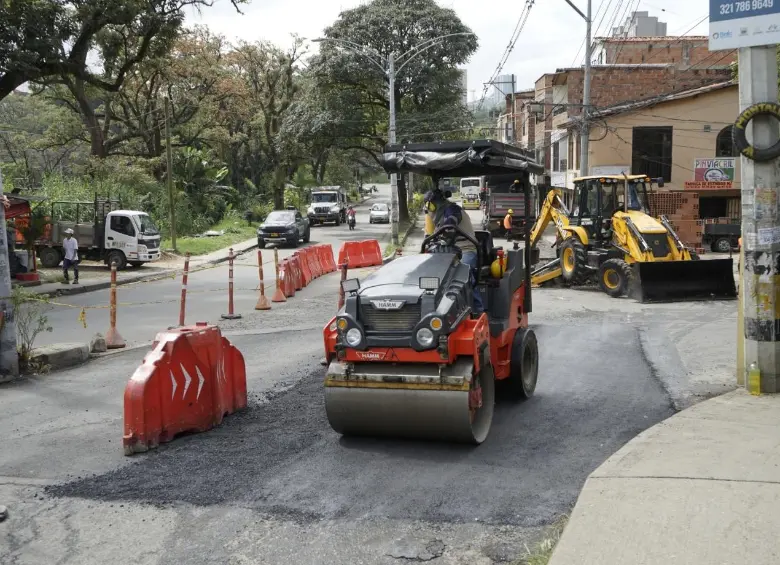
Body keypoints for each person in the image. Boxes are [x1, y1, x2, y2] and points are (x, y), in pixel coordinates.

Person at [423, 188, 483, 314]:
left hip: (466, 249)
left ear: (433, 204)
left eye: (429, 206)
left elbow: (452, 220)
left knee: (464, 274)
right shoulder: (437, 219)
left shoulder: (452, 209)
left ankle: (478, 311)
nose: (428, 211)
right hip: (448, 252)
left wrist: (448, 227)